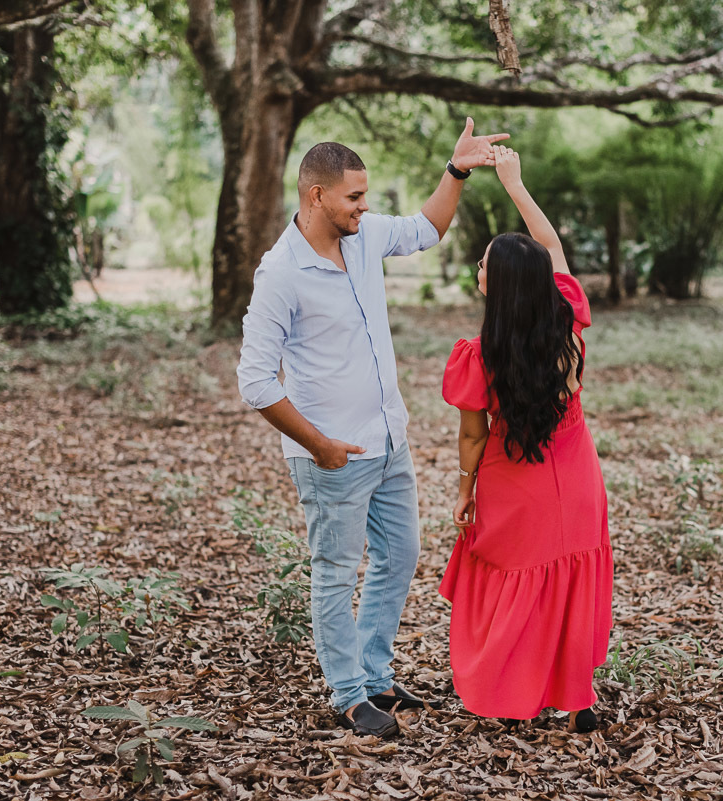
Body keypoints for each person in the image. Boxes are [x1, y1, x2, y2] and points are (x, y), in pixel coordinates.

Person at [237, 119, 508, 739]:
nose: (365, 206)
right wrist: (319, 445)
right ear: (316, 196)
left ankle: (376, 674)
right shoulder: (281, 273)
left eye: (366, 196)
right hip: (333, 455)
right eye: (354, 197)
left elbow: (427, 228)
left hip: (390, 441)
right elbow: (255, 380)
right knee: (336, 570)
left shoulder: (362, 238)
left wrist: (457, 170)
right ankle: (348, 694)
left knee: (400, 554)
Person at [439, 145, 614, 732]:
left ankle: (516, 690)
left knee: (518, 587)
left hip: (515, 488)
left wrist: (464, 491)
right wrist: (515, 183)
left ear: (501, 286)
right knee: (570, 581)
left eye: (485, 264)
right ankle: (578, 698)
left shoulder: (480, 357)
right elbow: (554, 250)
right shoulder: (567, 318)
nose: (479, 270)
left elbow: (472, 437)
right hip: (578, 479)